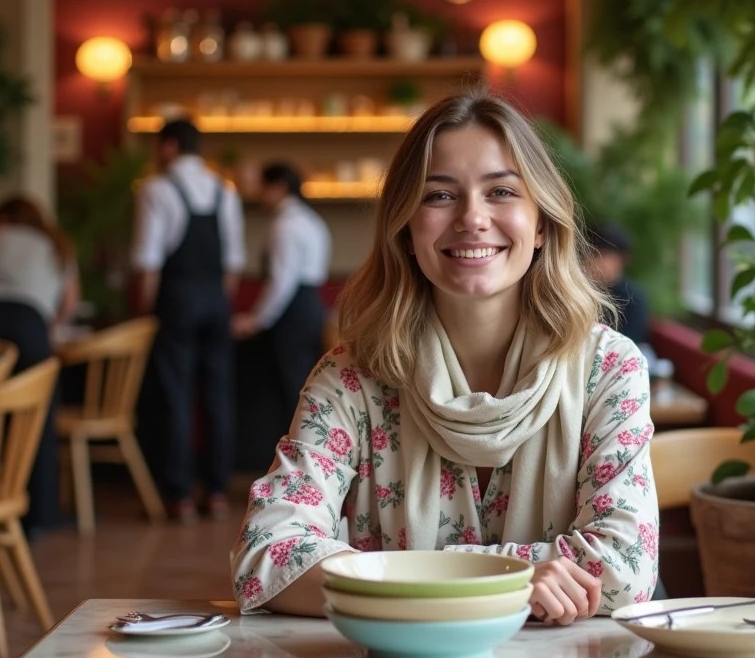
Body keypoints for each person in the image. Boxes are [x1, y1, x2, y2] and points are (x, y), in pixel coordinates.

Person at [230, 90, 659, 626]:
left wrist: (390, 579)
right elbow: (265, 557)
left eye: (501, 191)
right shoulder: (349, 378)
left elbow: (624, 569)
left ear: (543, 224)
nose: (472, 219)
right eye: (438, 196)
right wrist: (511, 583)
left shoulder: (607, 368)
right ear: (407, 229)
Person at [133, 118, 246, 522]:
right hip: (217, 297)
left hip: (177, 297)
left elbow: (148, 260)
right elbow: (234, 262)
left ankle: (179, 495)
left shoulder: (156, 189)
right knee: (218, 396)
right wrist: (218, 300)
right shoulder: (224, 190)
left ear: (167, 147)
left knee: (175, 395)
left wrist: (146, 310)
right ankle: (216, 491)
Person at [0, 194, 80, 537]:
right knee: (38, 418)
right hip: (30, 323)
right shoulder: (57, 244)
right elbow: (70, 303)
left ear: (4, 218)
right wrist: (49, 326)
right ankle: (39, 518)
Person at [231, 163, 331, 466]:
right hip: (310, 308)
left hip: (293, 315)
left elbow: (281, 282)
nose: (260, 194)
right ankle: (305, 466)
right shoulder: (311, 221)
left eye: (263, 187)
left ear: (277, 188)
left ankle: (297, 469)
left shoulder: (285, 225)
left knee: (293, 393)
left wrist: (256, 319)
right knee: (302, 390)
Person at [586, 222, 650, 347]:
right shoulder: (580, 289)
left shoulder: (633, 297)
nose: (592, 260)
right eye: (590, 253)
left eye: (601, 255)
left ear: (622, 259)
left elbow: (631, 340)